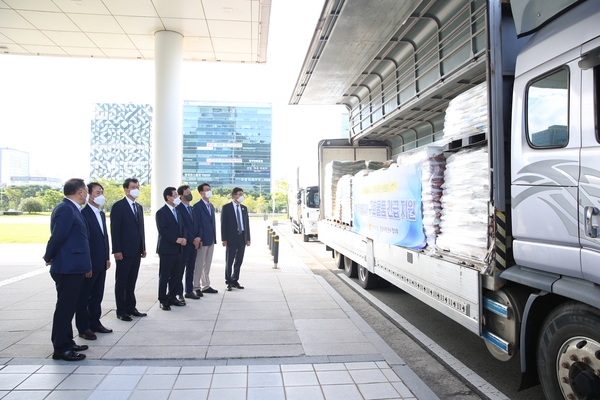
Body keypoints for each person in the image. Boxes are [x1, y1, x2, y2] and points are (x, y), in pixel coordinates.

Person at [43, 178, 92, 361]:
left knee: (69, 307)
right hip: (67, 267)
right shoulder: (65, 208)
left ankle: (67, 342)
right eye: (86, 190)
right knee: (65, 309)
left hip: (74, 266)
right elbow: (58, 236)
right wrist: (49, 256)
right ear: (80, 192)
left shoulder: (72, 209)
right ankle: (61, 348)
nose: (86, 194)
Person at [77, 182, 112, 340]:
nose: (101, 195)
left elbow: (104, 237)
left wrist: (107, 258)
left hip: (101, 261)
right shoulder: (83, 214)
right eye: (98, 192)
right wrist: (87, 264)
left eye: (102, 192)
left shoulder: (101, 213)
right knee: (84, 296)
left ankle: (95, 322)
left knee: (97, 294)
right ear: (89, 194)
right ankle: (83, 327)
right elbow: (85, 241)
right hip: (89, 262)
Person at [111, 178, 147, 321]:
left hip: (136, 250)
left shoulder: (138, 207)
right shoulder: (118, 206)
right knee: (122, 281)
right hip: (124, 251)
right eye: (133, 187)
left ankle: (131, 307)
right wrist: (117, 250)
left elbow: (141, 229)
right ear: (126, 189)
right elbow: (115, 230)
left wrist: (143, 247)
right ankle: (121, 310)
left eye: (137, 187)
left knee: (132, 281)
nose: (136, 189)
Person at [155, 187, 187, 310]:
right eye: (175, 195)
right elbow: (162, 230)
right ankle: (163, 299)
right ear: (168, 197)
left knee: (176, 275)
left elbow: (182, 226)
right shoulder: (161, 212)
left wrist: (184, 238)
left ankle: (172, 297)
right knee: (165, 275)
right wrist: (176, 239)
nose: (178, 197)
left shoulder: (177, 211)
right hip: (167, 249)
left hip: (179, 249)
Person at [221, 187, 251, 291]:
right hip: (231, 238)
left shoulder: (244, 208)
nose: (241, 196)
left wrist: (248, 238)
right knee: (229, 260)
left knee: (239, 260)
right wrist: (224, 238)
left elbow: (246, 224)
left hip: (242, 237)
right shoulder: (226, 207)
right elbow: (223, 224)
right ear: (234, 196)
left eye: (242, 194)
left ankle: (235, 280)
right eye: (239, 194)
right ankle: (228, 281)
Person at [176, 184, 201, 302]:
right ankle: (178, 292)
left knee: (191, 268)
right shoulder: (178, 208)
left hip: (194, 243)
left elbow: (198, 224)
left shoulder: (193, 208)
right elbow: (183, 227)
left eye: (190, 192)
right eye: (187, 193)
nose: (189, 194)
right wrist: (192, 239)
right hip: (185, 243)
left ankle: (189, 290)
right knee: (180, 268)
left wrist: (198, 238)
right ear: (181, 195)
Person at [192, 183, 218, 296]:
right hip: (202, 239)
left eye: (210, 189)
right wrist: (199, 237)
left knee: (207, 264)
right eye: (206, 190)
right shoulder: (197, 206)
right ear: (201, 192)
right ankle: (196, 286)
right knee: (199, 264)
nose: (209, 191)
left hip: (211, 238)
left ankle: (205, 285)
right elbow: (197, 223)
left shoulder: (211, 206)